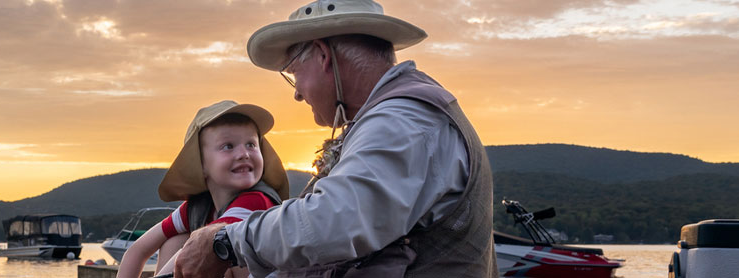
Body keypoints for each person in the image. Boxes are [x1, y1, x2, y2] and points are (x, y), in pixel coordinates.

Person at [174, 0, 495, 277]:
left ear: (322, 55)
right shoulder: (401, 113)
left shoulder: (402, 119)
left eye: (294, 71)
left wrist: (226, 243)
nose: (297, 93)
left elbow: (339, 217)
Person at [118, 100, 291, 278]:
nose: (244, 154)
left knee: (220, 254)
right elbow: (136, 251)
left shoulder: (257, 201)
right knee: (174, 240)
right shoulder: (198, 207)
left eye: (251, 144)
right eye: (228, 146)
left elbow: (194, 254)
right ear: (200, 165)